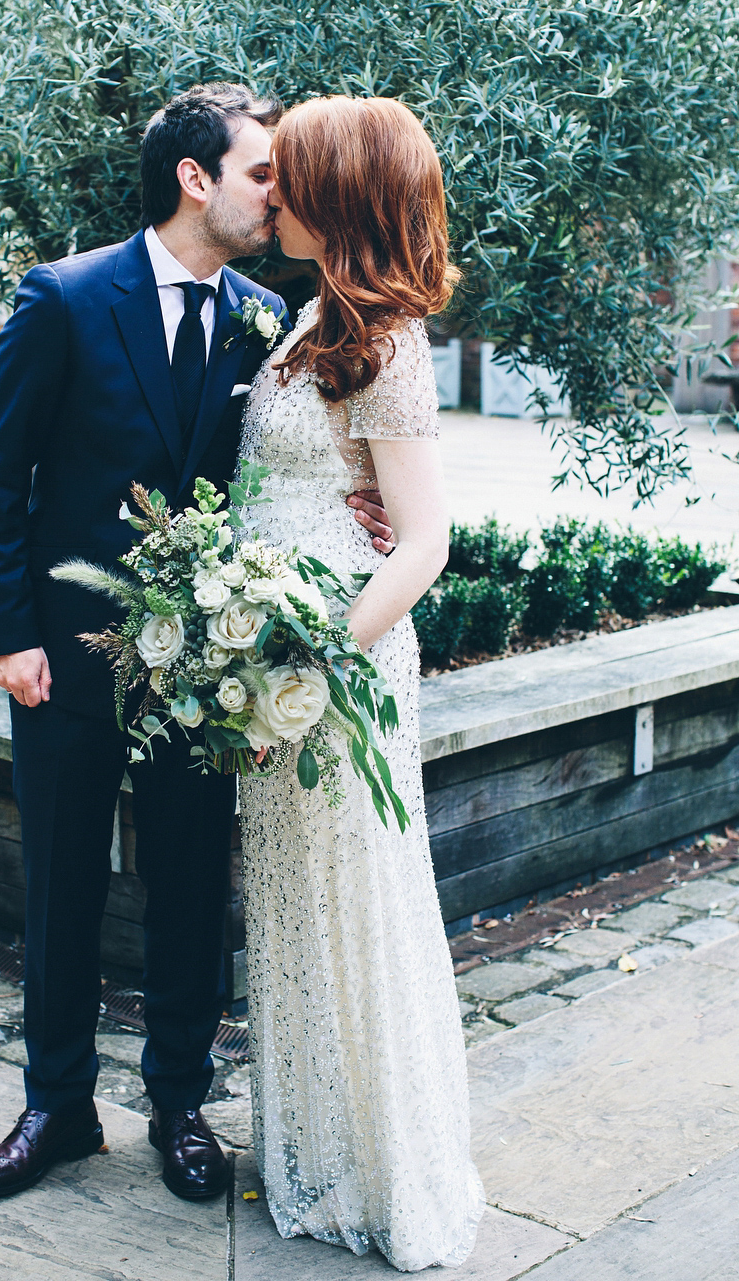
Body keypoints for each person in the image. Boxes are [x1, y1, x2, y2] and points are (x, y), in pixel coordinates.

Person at [0, 83, 393, 1204]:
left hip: (209, 671)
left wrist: (361, 509)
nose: (279, 192)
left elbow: (298, 460)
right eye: (261, 173)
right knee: (59, 885)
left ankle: (180, 1105)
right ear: (194, 179)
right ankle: (54, 1109)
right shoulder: (63, 297)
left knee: (193, 886)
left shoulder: (265, 314)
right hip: (61, 656)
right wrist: (10, 635)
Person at [236, 95, 485, 1269]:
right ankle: (324, 1145)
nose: (271, 195)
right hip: (279, 659)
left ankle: (387, 1166)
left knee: (358, 900)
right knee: (296, 903)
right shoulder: (308, 321)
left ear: (338, 191)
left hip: (339, 666)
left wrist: (307, 659)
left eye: (288, 178)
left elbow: (425, 541)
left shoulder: (385, 342)